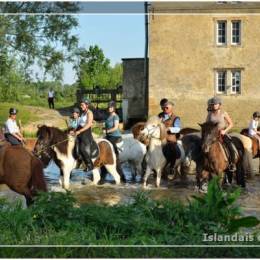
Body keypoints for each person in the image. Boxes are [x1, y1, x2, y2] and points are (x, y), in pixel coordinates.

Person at [206, 96, 236, 171]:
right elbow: (207, 124)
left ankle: (232, 164)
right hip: (212, 134)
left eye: (216, 104)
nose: (214, 106)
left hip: (222, 133)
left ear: (219, 105)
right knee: (203, 145)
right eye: (213, 104)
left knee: (230, 146)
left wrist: (224, 131)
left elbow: (231, 124)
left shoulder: (224, 113)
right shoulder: (210, 114)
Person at [75, 99, 98, 172]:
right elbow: (80, 124)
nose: (81, 106)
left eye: (82, 105)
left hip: (86, 133)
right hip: (80, 131)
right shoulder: (82, 113)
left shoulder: (89, 113)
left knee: (82, 148)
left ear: (87, 105)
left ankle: (89, 165)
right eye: (81, 105)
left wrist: (79, 131)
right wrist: (74, 131)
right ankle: (79, 162)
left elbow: (88, 125)